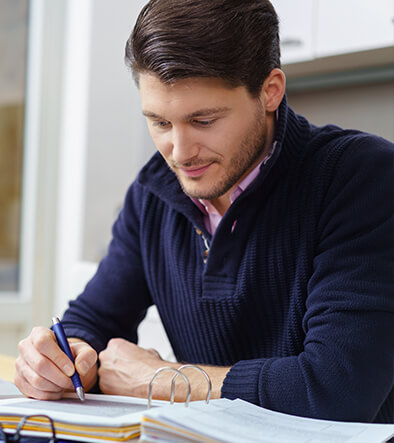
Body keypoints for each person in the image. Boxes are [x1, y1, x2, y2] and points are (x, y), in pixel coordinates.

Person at [15, 0, 393, 423]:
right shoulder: (153, 194)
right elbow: (92, 321)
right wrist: (57, 362)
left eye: (204, 120)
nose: (179, 153)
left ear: (270, 91)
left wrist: (161, 379)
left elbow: (338, 390)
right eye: (159, 122)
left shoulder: (361, 177)